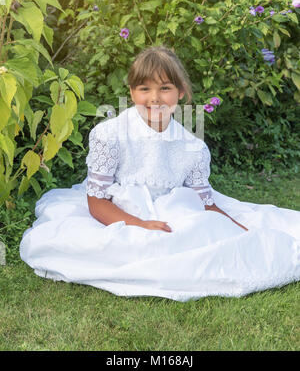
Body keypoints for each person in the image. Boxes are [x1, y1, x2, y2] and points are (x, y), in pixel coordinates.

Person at [20, 46, 300, 302]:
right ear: (131, 92)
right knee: (116, 247)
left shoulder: (193, 147)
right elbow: (97, 202)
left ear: (181, 92)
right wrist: (139, 224)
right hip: (117, 210)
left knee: (207, 235)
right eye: (144, 88)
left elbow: (206, 203)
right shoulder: (110, 135)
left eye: (165, 88)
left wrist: (235, 227)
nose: (155, 98)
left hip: (173, 208)